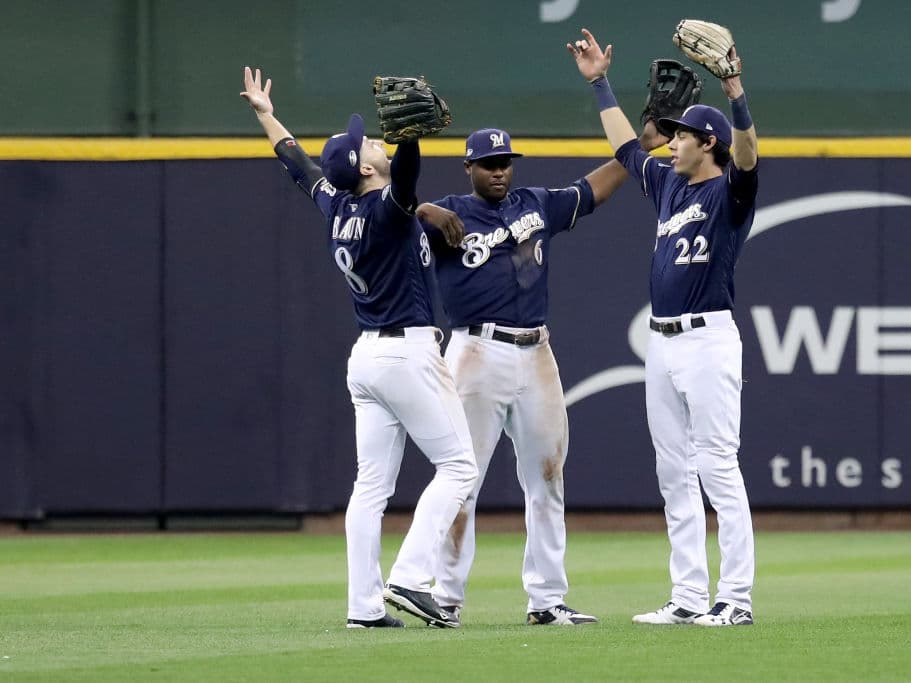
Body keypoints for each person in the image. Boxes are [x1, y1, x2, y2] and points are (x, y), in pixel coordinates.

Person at [239, 66, 477, 629]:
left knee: (370, 487)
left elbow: (298, 164)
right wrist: (410, 137)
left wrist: (267, 116)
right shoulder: (385, 211)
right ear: (366, 168)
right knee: (459, 468)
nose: (373, 139)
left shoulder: (337, 206)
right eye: (368, 142)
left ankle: (363, 608)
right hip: (406, 354)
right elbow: (407, 176)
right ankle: (410, 577)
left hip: (368, 359)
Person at [416, 126, 660, 626]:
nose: (499, 170)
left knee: (548, 477)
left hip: (536, 350)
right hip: (476, 350)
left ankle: (547, 600)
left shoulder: (535, 203)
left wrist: (640, 147)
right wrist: (423, 210)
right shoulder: (450, 213)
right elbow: (390, 217)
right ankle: (446, 596)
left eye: (505, 161)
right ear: (468, 168)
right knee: (462, 479)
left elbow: (591, 191)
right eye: (489, 163)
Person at [567, 28, 758, 627]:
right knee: (673, 472)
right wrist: (600, 83)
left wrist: (734, 92)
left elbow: (748, 155)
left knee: (717, 466)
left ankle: (736, 599)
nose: (670, 143)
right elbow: (627, 148)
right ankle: (688, 596)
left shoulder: (730, 192)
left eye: (681, 137)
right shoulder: (669, 183)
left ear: (708, 142)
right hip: (663, 342)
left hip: (707, 340)